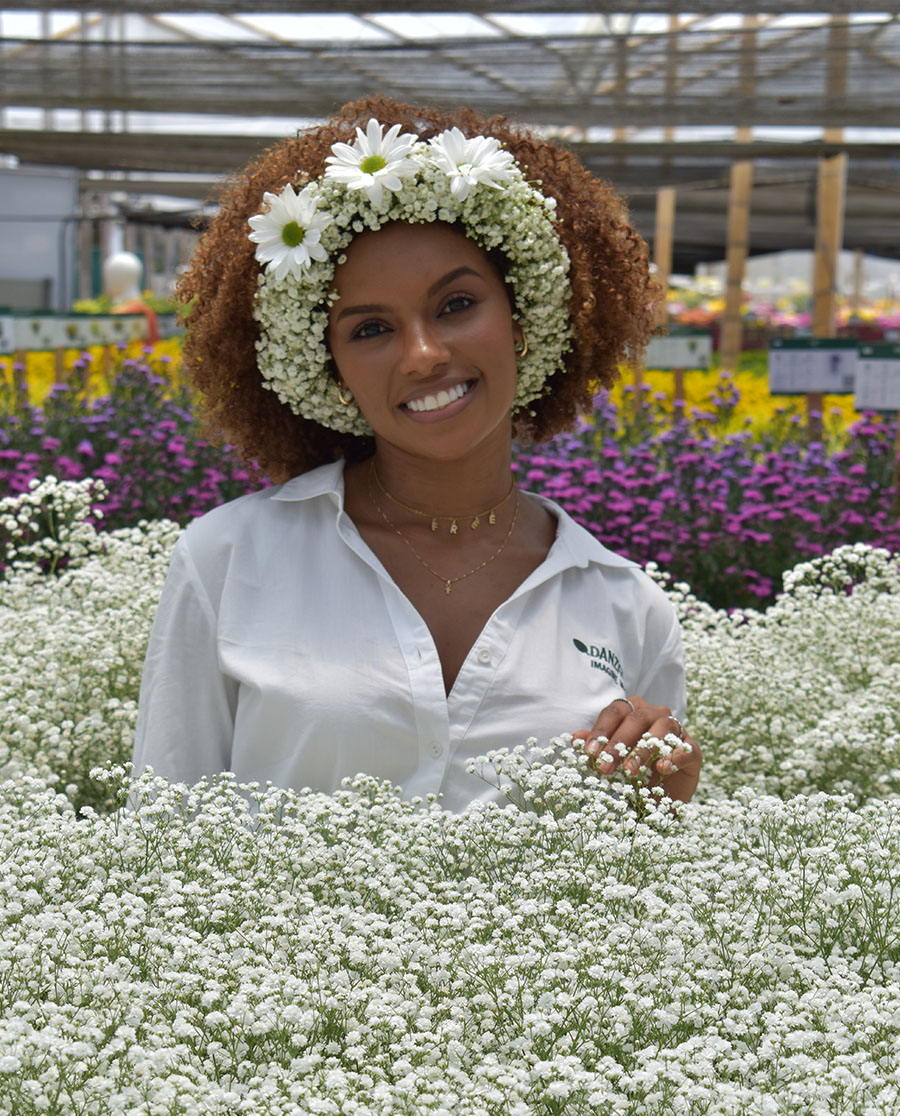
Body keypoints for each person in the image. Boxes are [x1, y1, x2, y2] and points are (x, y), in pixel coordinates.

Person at [132, 96, 702, 811]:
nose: (425, 355)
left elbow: (648, 892)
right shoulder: (229, 561)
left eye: (457, 305)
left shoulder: (625, 605)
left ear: (524, 316)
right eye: (370, 329)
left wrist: (666, 802)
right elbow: (162, 833)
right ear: (326, 367)